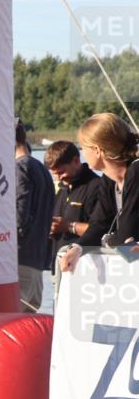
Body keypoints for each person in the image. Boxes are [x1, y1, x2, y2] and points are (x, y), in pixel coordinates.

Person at [60, 113, 139, 273]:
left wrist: (108, 240)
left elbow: (126, 233)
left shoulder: (136, 172)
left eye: (83, 147)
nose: (82, 153)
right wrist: (77, 248)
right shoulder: (109, 179)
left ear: (97, 150)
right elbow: (100, 222)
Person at [15, 119, 55, 312]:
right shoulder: (43, 171)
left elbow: (19, 218)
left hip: (19, 260)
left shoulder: (19, 168)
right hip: (37, 262)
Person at [45, 141, 101, 270]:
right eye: (55, 174)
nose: (58, 178)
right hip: (60, 265)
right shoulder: (62, 187)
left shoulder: (97, 186)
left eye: (61, 172)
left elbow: (102, 229)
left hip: (86, 268)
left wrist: (68, 226)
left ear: (76, 161)